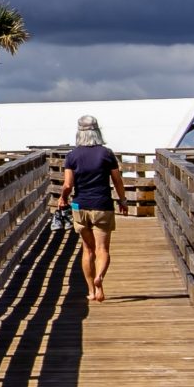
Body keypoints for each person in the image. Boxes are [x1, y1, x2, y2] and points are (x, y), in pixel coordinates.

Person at [56, 115, 127, 302]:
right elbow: (117, 180)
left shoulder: (72, 156)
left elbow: (68, 185)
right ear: (97, 131)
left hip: (80, 206)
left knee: (88, 250)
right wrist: (123, 200)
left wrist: (63, 198)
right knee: (103, 249)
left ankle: (92, 291)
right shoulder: (106, 154)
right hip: (102, 205)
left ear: (79, 133)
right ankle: (100, 278)